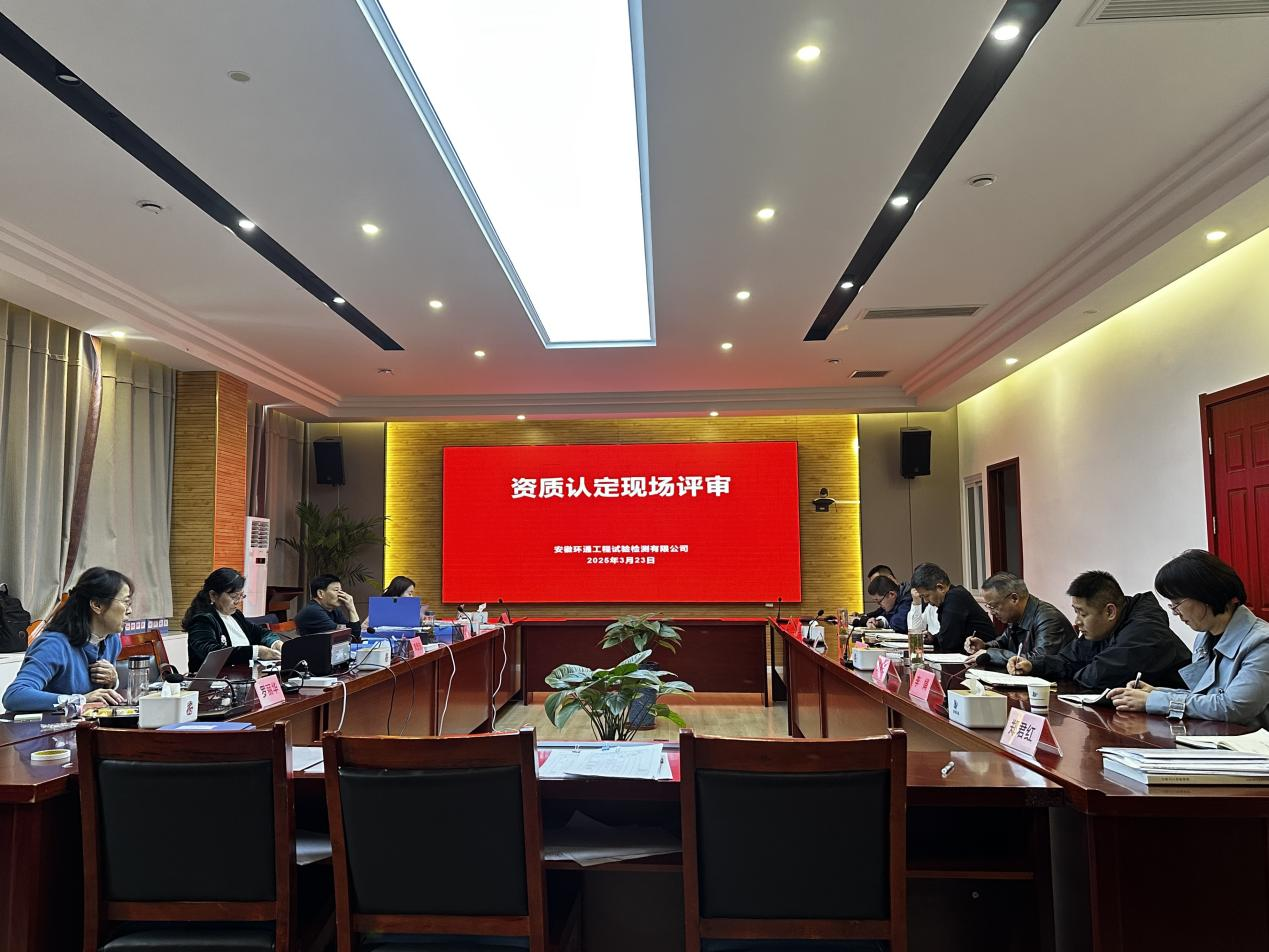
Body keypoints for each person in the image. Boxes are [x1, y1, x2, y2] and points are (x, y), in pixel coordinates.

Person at [1109, 551, 1269, 726]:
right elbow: (1203, 698)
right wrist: (1155, 693)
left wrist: (1153, 701)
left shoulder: (1261, 642)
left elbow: (1233, 707)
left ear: (1206, 595)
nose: (1175, 612)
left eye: (1177, 603)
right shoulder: (1204, 638)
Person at [1009, 570, 1190, 690]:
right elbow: (1068, 659)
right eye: (1076, 612)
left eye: (1082, 614)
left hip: (1182, 722)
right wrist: (1032, 665)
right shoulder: (1105, 627)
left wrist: (1079, 669)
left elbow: (1098, 676)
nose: (1077, 622)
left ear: (1109, 612)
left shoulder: (1145, 630)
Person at [2, 567, 130, 712]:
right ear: (97, 605)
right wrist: (76, 700)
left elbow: (97, 697)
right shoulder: (54, 644)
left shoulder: (111, 640)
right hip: (41, 725)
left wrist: (113, 681)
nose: (130, 611)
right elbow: (14, 695)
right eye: (126, 602)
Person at [182, 567, 282, 671]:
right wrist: (257, 652)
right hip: (212, 679)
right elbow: (212, 653)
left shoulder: (236, 615)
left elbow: (261, 633)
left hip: (242, 676)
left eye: (241, 596)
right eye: (234, 596)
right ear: (213, 595)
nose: (238, 601)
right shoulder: (202, 620)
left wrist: (275, 643)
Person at [966, 572, 1074, 668]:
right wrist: (984, 646)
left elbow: (1038, 661)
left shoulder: (1048, 619)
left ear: (1014, 598)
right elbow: (1003, 642)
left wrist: (990, 654)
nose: (992, 612)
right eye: (988, 607)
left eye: (993, 606)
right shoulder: (1017, 616)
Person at [909, 563, 993, 654]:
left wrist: (938, 639)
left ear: (940, 588)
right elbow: (949, 635)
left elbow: (948, 643)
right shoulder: (951, 597)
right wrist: (933, 638)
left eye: (926, 596)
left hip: (987, 655)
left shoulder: (955, 597)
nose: (925, 601)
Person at [294, 574, 362, 639]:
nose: (341, 594)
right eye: (336, 590)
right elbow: (349, 635)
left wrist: (351, 608)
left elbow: (354, 634)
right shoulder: (313, 611)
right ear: (320, 593)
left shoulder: (333, 609)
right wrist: (351, 608)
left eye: (341, 590)